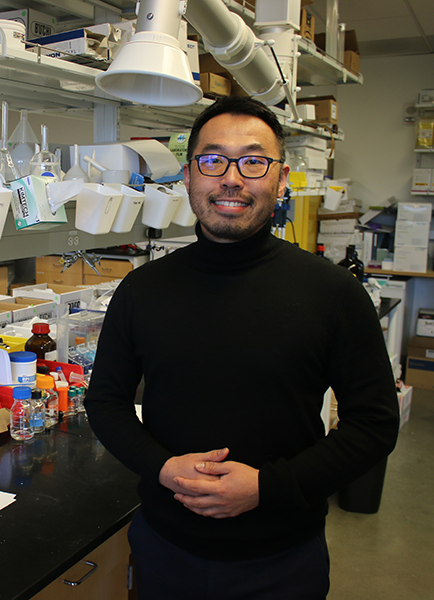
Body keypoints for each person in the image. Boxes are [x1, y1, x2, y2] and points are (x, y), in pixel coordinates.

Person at [84, 96, 399, 599]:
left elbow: (375, 423)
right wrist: (163, 468)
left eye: (253, 161)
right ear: (188, 176)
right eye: (213, 160)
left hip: (282, 559)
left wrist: (265, 489)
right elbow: (104, 402)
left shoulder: (332, 293)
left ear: (281, 178)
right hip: (166, 550)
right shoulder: (143, 289)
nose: (232, 178)